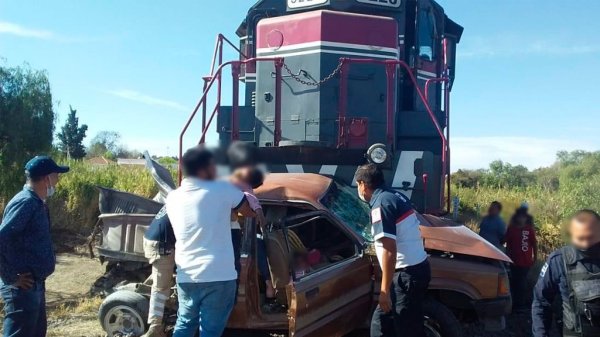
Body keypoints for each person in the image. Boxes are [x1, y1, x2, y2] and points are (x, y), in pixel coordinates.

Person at [166, 147, 256, 337]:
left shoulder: (172, 197)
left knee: (184, 323)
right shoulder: (223, 189)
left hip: (186, 275)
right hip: (219, 275)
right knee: (211, 331)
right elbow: (249, 211)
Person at [355, 163, 431, 337]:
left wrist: (384, 291)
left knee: (407, 329)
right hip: (415, 271)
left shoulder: (380, 205)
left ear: (363, 185)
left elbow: (390, 249)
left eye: (358, 185)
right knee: (381, 324)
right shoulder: (395, 196)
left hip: (405, 276)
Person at [0, 156, 69, 337]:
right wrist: (11, 277)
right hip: (22, 288)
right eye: (56, 176)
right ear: (46, 179)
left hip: (34, 285)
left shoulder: (37, 203)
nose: (58, 180)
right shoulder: (26, 203)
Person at [532, 210, 600, 337]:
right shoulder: (559, 260)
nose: (585, 243)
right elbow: (541, 302)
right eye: (580, 238)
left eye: (590, 237)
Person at [142, 205, 176, 337]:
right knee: (161, 287)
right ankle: (155, 327)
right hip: (161, 243)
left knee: (163, 279)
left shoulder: (180, 194)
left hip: (155, 238)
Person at [505, 211, 537, 311]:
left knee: (521, 283)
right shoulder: (511, 229)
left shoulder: (529, 230)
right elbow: (508, 245)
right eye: (519, 217)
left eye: (523, 217)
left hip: (526, 262)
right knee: (514, 282)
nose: (521, 219)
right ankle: (513, 303)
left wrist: (535, 258)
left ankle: (520, 305)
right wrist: (507, 258)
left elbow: (534, 244)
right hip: (513, 261)